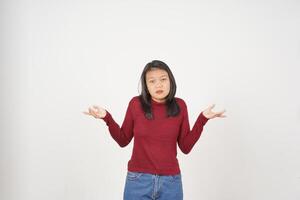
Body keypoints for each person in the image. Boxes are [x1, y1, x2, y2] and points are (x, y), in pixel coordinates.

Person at [83, 60, 226, 200]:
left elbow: (185, 147)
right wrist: (107, 118)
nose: (158, 84)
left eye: (163, 79)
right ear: (146, 85)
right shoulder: (135, 104)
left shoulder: (180, 106)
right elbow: (123, 139)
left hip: (171, 183)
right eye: (152, 81)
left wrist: (202, 119)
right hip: (138, 181)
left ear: (170, 81)